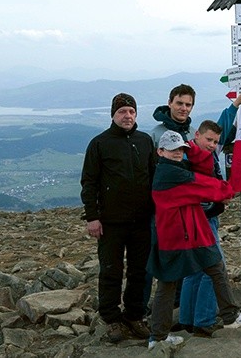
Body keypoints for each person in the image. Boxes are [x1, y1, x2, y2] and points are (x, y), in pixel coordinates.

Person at [148, 130, 241, 350]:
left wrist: (190, 148)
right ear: (160, 151)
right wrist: (230, 187)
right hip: (185, 236)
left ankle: (158, 337)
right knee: (213, 270)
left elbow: (204, 167)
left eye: (180, 149)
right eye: (172, 149)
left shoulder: (174, 169)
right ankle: (230, 318)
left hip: (181, 234)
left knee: (173, 282)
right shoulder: (174, 175)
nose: (177, 153)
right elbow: (206, 185)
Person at [80, 93, 154, 343]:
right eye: (122, 111)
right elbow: (89, 182)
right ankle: (111, 319)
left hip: (142, 220)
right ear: (113, 114)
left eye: (131, 111)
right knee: (111, 271)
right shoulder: (100, 143)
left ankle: (134, 316)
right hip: (111, 222)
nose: (128, 116)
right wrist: (92, 217)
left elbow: (155, 178)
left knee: (139, 272)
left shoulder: (145, 141)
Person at [178, 93, 241, 335]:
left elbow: (223, 123)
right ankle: (205, 320)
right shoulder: (188, 156)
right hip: (199, 220)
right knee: (214, 268)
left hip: (205, 219)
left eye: (214, 141)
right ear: (196, 135)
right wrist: (212, 204)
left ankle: (188, 320)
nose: (212, 144)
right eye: (208, 139)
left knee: (195, 271)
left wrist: (235, 105)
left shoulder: (206, 152)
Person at [144, 83, 197, 313]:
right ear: (169, 103)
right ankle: (147, 308)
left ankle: (178, 304)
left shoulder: (193, 133)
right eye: (179, 103)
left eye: (188, 104)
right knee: (156, 256)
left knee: (182, 254)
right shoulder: (155, 135)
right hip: (161, 209)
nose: (184, 108)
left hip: (185, 207)